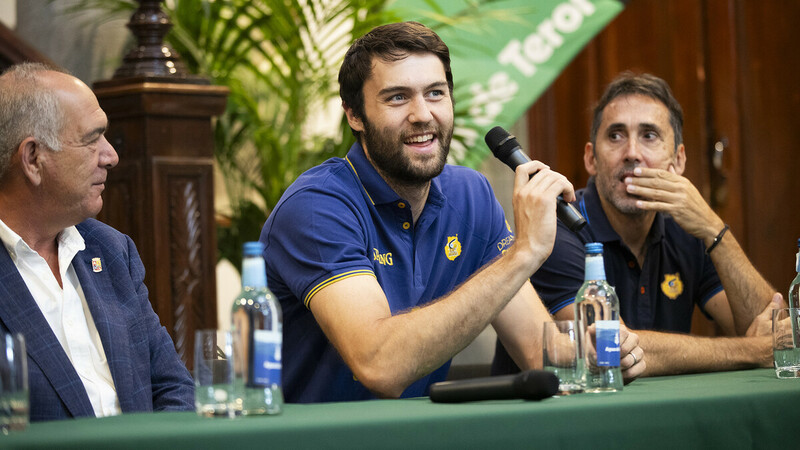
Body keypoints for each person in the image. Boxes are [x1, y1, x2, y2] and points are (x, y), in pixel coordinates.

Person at [260, 22, 645, 403]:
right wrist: (524, 254)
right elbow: (380, 366)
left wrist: (591, 357)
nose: (422, 114)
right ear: (354, 115)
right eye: (397, 98)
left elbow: (539, 354)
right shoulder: (317, 206)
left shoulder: (470, 195)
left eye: (435, 93)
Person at [493, 72, 782, 377]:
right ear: (591, 159)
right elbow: (607, 348)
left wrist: (713, 229)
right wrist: (752, 350)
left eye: (649, 135)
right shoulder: (555, 227)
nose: (632, 153)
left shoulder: (689, 228)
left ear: (678, 161)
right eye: (615, 136)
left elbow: (769, 328)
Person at [0, 62, 194, 421]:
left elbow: (173, 387)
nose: (111, 156)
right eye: (92, 139)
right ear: (33, 159)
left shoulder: (111, 250)